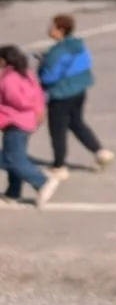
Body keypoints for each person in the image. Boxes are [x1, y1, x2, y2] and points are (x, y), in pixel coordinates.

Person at [37, 13, 113, 176]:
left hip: (61, 94)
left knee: (57, 130)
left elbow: (49, 77)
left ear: (60, 30)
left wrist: (42, 66)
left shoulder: (56, 52)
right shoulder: (78, 46)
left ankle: (59, 165)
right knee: (76, 122)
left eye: (52, 26)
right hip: (79, 90)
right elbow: (84, 63)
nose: (49, 29)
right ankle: (100, 151)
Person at [1, 44, 59, 208]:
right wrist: (38, 110)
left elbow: (17, 100)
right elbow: (39, 94)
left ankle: (42, 182)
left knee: (12, 159)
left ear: (4, 60)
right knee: (14, 157)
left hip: (14, 122)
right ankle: (13, 192)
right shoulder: (26, 73)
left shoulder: (8, 79)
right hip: (27, 122)